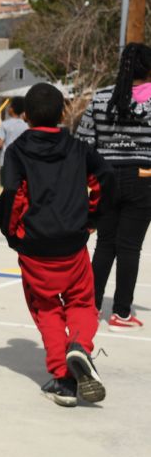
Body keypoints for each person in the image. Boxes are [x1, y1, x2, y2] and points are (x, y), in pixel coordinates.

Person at [0, 82, 112, 407]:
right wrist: (91, 219)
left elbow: (12, 196)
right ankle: (79, 345)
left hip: (34, 247)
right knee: (83, 303)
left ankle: (63, 379)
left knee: (46, 308)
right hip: (72, 245)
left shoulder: (17, 151)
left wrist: (13, 235)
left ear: (27, 116)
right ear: (62, 113)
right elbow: (105, 179)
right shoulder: (78, 148)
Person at [75, 42, 151, 331]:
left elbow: (84, 142)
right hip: (142, 178)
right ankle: (121, 312)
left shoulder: (101, 97)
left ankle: (91, 306)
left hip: (105, 177)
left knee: (105, 245)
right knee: (130, 247)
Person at [0, 95, 28, 167]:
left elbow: (0, 144)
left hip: (6, 159)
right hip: (21, 160)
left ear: (12, 109)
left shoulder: (4, 124)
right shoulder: (27, 126)